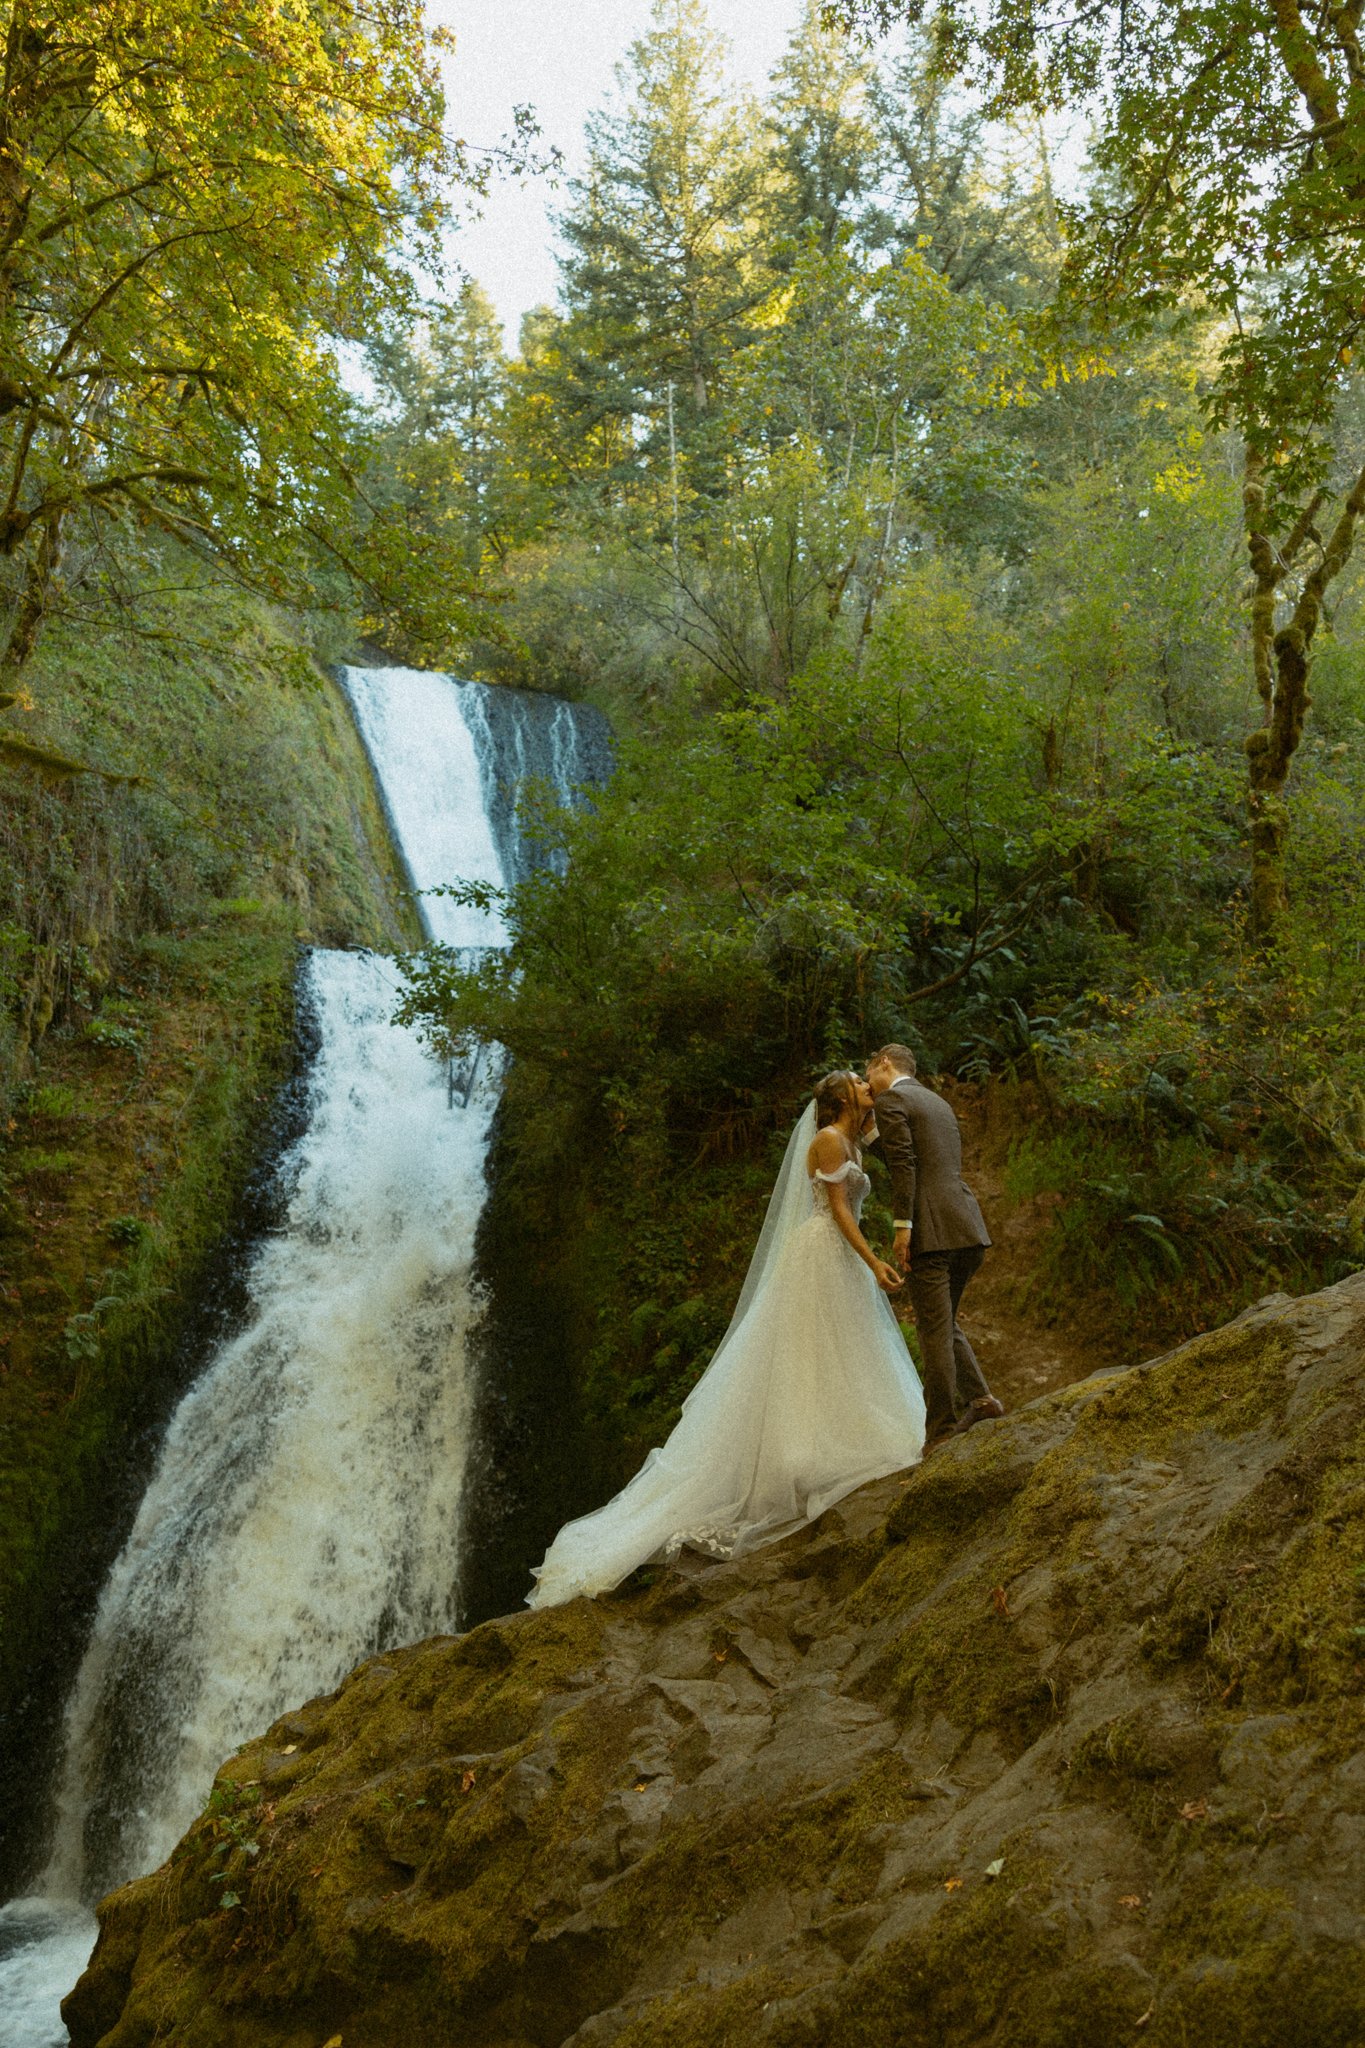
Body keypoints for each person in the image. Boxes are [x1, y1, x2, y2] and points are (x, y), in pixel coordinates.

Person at [526, 1071, 926, 1608]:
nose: (864, 1080)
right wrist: (873, 1259)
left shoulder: (853, 1136)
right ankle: (800, 1457)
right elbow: (835, 1211)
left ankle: (833, 1442)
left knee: (845, 1353)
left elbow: (885, 1162)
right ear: (838, 1100)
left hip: (836, 1257)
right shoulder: (830, 1139)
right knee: (810, 1354)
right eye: (857, 1080)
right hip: (823, 1254)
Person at [865, 1043, 1004, 1453]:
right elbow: (915, 1158)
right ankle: (981, 1400)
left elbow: (905, 1166)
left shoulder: (892, 1098)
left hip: (931, 1232)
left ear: (884, 1064)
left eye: (868, 1072)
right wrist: (868, 1132)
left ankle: (941, 1429)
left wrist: (903, 1227)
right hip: (966, 1227)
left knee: (933, 1331)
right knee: (944, 1322)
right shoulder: (936, 1102)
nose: (868, 1084)